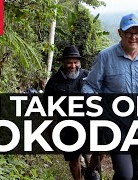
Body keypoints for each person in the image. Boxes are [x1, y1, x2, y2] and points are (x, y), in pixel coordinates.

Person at [82, 13, 138, 179]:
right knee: (125, 175)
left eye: (137, 33)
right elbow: (89, 85)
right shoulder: (106, 57)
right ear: (120, 33)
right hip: (116, 124)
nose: (133, 37)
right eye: (129, 33)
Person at [43, 45, 100, 180]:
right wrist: (51, 129)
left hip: (88, 123)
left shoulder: (87, 76)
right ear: (63, 63)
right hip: (67, 126)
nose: (72, 65)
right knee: (73, 159)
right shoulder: (54, 82)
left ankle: (90, 171)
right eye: (69, 62)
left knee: (100, 151)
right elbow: (47, 106)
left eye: (75, 62)